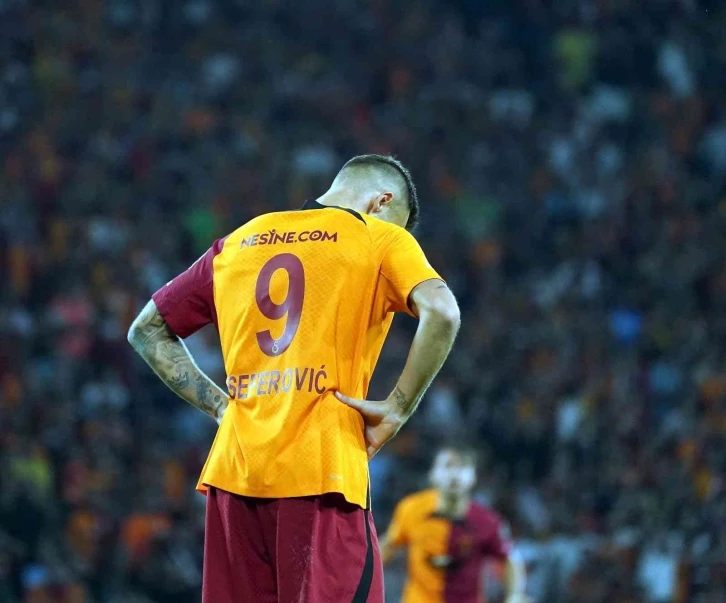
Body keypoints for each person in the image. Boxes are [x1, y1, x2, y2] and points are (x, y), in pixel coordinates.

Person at [127, 154, 461, 603]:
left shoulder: (238, 242)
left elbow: (146, 331)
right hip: (322, 471)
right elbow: (443, 312)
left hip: (234, 477)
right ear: (382, 201)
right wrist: (397, 408)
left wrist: (221, 406)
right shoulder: (379, 237)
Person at [381, 446, 529, 603]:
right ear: (433, 474)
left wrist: (514, 595)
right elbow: (388, 546)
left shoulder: (488, 521)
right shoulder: (411, 509)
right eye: (448, 466)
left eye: (462, 467)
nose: (455, 475)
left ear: (473, 477)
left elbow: (509, 560)